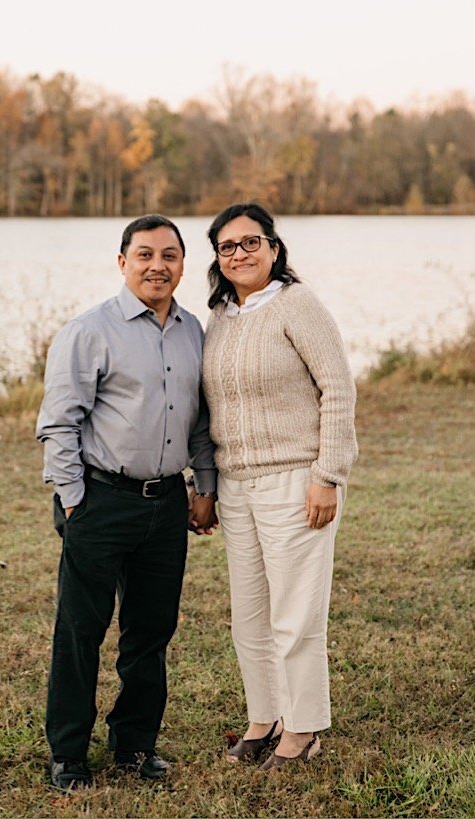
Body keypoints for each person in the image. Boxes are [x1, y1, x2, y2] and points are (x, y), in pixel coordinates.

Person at [35, 214, 217, 790]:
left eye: (169, 255)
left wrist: (203, 487)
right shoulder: (89, 330)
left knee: (150, 633)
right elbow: (59, 423)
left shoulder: (194, 332)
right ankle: (68, 754)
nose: (157, 266)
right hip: (100, 500)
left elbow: (200, 422)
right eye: (144, 255)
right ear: (122, 263)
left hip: (166, 503)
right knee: (80, 631)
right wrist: (72, 499)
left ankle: (134, 745)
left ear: (183, 265)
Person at [202, 201, 357, 770]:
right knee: (250, 616)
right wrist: (209, 482)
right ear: (217, 259)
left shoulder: (298, 304)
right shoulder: (221, 314)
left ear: (273, 246)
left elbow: (338, 391)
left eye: (250, 242)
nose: (239, 253)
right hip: (237, 487)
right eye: (227, 246)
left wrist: (328, 476)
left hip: (297, 480)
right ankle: (263, 718)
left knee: (295, 615)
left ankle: (304, 729)